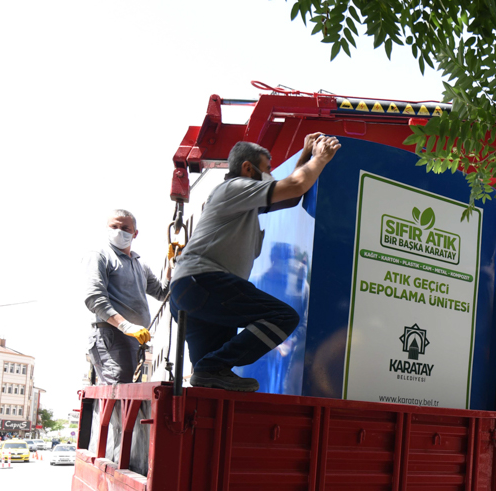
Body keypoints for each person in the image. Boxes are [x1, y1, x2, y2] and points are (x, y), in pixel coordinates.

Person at [170, 133, 340, 391]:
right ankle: (210, 369)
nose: (270, 175)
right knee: (281, 317)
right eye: (267, 170)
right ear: (247, 168)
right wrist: (320, 158)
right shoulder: (234, 188)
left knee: (211, 378)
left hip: (194, 294)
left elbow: (290, 195)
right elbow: (294, 186)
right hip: (202, 283)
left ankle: (209, 379)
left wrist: (304, 156)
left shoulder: (245, 204)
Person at [84, 210, 169, 383]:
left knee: (129, 395)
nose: (118, 231)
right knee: (119, 392)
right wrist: (125, 325)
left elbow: (162, 293)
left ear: (135, 233)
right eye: (114, 226)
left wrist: (172, 266)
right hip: (111, 334)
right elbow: (94, 298)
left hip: (134, 338)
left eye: (125, 228)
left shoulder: (139, 265)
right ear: (107, 228)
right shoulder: (100, 256)